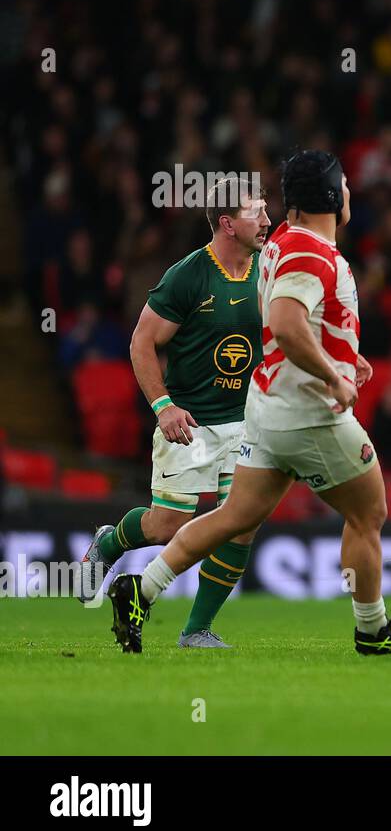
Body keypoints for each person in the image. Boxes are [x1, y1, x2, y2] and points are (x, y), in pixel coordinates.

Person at [104, 150, 391, 655]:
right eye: (343, 184)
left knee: (234, 517)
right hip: (308, 414)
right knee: (369, 514)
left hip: (261, 410)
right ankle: (372, 630)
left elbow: (293, 321)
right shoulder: (307, 251)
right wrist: (334, 374)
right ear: (329, 195)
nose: (349, 191)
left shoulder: (282, 242)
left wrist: (343, 352)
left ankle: (142, 588)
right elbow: (284, 321)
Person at [78, 178, 269, 648]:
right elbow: (142, 341)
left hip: (245, 421)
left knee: (241, 524)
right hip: (191, 423)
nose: (267, 220)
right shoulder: (187, 276)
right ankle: (109, 543)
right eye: (255, 212)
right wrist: (164, 407)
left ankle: (196, 629)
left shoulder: (270, 268)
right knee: (169, 526)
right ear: (227, 223)